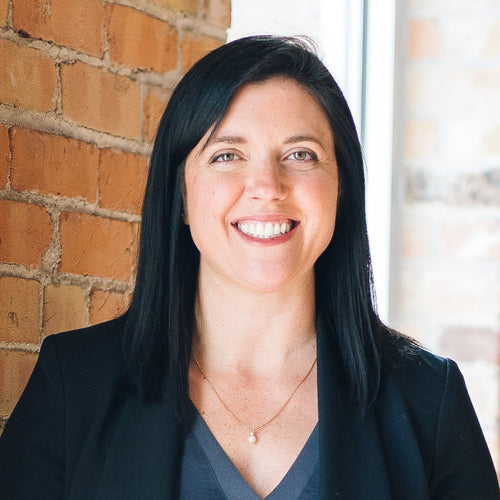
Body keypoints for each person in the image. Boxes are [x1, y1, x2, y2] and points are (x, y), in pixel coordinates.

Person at [0, 35, 498, 500]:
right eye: (227, 155)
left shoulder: (429, 401)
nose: (267, 185)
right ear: (180, 193)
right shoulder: (74, 384)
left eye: (301, 154)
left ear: (342, 189)